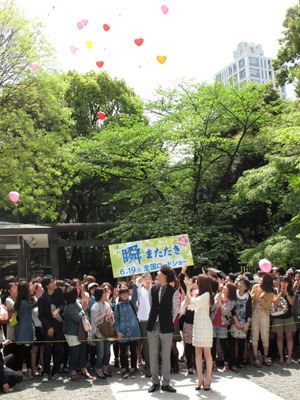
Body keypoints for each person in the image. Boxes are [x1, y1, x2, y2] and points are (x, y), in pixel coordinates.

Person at [146, 265, 179, 393]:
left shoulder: (173, 291)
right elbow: (151, 304)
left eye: (159, 272)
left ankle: (166, 382)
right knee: (153, 354)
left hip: (166, 326)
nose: (157, 273)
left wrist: (168, 321)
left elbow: (176, 310)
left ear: (165, 275)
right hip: (152, 325)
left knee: (166, 355)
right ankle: (155, 382)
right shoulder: (153, 289)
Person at [185, 274, 214, 391]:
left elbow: (191, 303)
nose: (195, 282)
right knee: (197, 352)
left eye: (197, 281)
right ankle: (200, 378)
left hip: (205, 325)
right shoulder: (198, 294)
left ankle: (208, 378)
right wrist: (188, 290)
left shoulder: (207, 295)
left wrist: (188, 290)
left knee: (207, 352)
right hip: (197, 324)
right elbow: (189, 305)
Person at [38, 276, 65, 382]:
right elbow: (41, 315)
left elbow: (63, 303)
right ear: (47, 285)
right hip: (47, 327)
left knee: (59, 348)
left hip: (58, 325)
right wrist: (48, 327)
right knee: (47, 349)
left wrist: (58, 309)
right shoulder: (42, 298)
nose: (54, 283)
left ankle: (56, 371)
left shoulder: (59, 292)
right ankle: (45, 372)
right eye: (52, 282)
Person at [64, 286, 93, 381]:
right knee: (75, 352)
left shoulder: (76, 302)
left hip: (80, 332)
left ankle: (83, 370)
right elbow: (77, 318)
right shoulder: (69, 307)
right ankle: (73, 371)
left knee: (82, 351)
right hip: (72, 332)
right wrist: (83, 310)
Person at [114, 281, 140, 379]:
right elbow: (116, 319)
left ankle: (133, 368)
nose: (125, 295)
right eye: (122, 293)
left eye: (126, 293)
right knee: (123, 352)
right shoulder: (118, 306)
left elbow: (135, 294)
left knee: (133, 351)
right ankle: (123, 369)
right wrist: (118, 331)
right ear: (119, 295)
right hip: (123, 331)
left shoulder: (132, 302)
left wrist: (133, 284)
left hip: (133, 330)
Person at [210, 282, 237, 372]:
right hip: (213, 322)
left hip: (223, 324)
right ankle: (213, 363)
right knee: (213, 344)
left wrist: (221, 302)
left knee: (224, 344)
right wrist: (216, 301)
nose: (223, 288)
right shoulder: (218, 295)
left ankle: (226, 363)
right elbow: (212, 308)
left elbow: (225, 312)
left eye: (226, 287)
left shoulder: (232, 301)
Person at [14, 281, 37, 380]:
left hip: (24, 327)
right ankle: (20, 372)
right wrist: (34, 293)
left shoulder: (21, 301)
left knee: (27, 351)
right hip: (24, 328)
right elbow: (34, 305)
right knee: (23, 351)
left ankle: (27, 370)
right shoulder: (23, 303)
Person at [250, 274, 275, 367]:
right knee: (254, 334)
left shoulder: (271, 292)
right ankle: (256, 357)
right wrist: (254, 295)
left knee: (265, 335)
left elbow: (266, 306)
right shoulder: (256, 286)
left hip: (264, 314)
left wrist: (261, 297)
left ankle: (265, 356)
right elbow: (250, 298)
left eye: (262, 279)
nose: (260, 279)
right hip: (255, 312)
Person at [272, 276, 297, 364]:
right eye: (282, 282)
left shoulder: (291, 292)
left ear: (289, 283)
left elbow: (291, 303)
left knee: (289, 337)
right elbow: (275, 303)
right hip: (278, 318)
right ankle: (281, 356)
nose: (283, 284)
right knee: (279, 337)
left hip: (288, 317)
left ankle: (289, 356)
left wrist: (286, 292)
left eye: (285, 282)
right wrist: (280, 293)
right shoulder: (276, 291)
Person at [229, 278, 252, 370]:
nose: (240, 285)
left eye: (242, 284)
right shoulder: (234, 294)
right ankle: (232, 362)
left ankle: (240, 361)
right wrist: (236, 322)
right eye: (239, 283)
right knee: (232, 342)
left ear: (246, 287)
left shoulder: (248, 296)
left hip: (244, 321)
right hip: (234, 321)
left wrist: (248, 323)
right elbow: (232, 309)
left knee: (242, 342)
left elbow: (249, 311)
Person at [91, 287, 113, 379]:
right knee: (100, 353)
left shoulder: (107, 304)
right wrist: (104, 314)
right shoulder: (95, 306)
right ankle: (99, 370)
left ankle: (105, 369)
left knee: (107, 352)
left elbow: (110, 315)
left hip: (107, 331)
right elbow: (95, 319)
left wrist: (109, 315)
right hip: (99, 332)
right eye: (104, 293)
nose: (106, 294)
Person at [136, 272, 152, 377]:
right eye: (145, 279)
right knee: (146, 345)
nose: (147, 280)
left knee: (155, 345)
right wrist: (142, 276)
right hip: (144, 320)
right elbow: (136, 283)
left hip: (155, 320)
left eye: (149, 279)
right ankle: (148, 367)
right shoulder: (140, 291)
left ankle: (154, 367)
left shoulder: (155, 289)